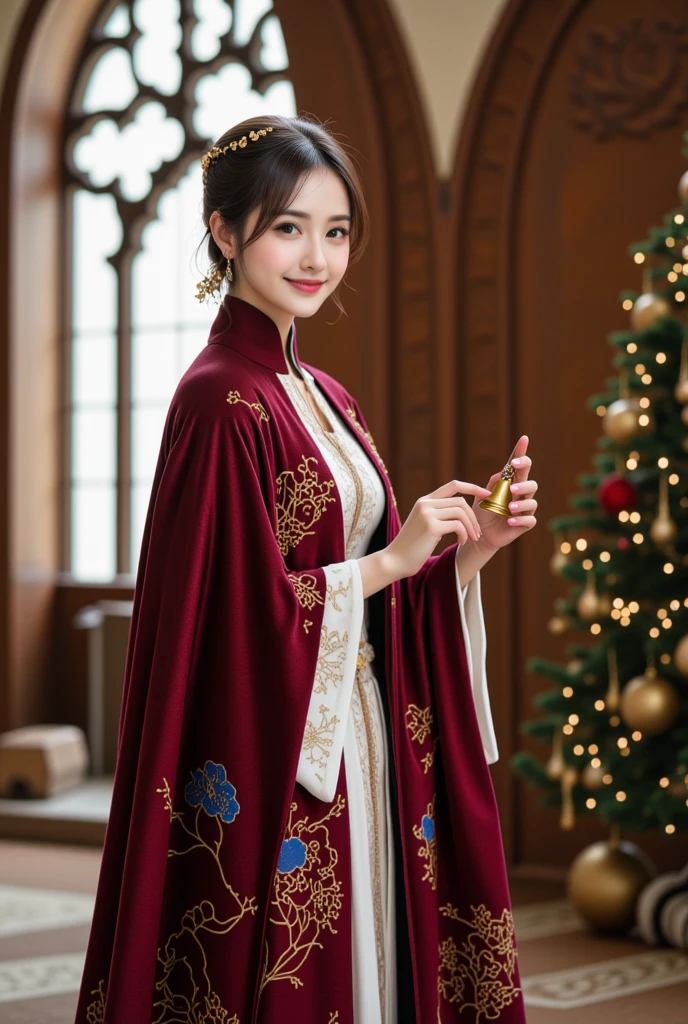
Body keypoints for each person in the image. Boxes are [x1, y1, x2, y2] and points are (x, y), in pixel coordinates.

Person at [75, 114, 536, 1024]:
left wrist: (459, 561)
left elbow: (374, 583)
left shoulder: (328, 397)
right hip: (280, 751)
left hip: (362, 738)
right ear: (225, 231)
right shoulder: (217, 402)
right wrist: (394, 558)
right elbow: (235, 612)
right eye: (288, 227)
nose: (316, 256)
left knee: (377, 963)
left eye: (335, 231)